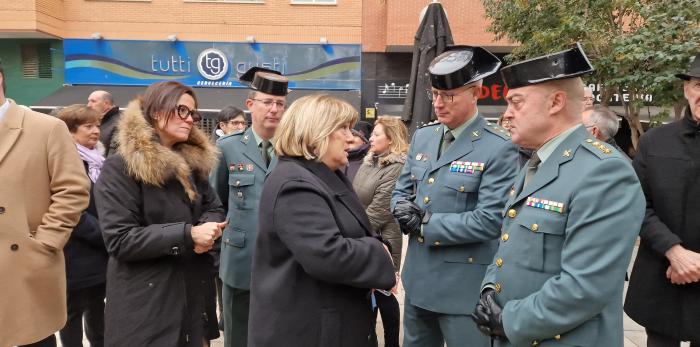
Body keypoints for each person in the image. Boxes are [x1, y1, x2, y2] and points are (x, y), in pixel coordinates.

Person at [472, 43, 645, 346]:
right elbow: (508, 246)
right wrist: (490, 290)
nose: (507, 115)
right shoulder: (537, 163)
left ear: (555, 102)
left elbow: (586, 286)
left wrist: (509, 320)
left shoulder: (604, 173)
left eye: (517, 103)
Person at [391, 45, 519, 347]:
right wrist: (400, 208)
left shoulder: (499, 146)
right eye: (434, 94)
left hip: (463, 290)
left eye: (448, 96)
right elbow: (401, 189)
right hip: (418, 282)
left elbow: (491, 220)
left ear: (476, 92)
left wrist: (425, 224)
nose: (438, 103)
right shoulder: (424, 136)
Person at [248, 94, 396, 347]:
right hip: (307, 330)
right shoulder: (296, 183)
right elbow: (327, 255)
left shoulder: (320, 174)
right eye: (344, 129)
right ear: (316, 132)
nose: (352, 138)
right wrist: (379, 254)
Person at [94, 81, 226, 346]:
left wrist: (208, 234)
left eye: (193, 114)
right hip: (146, 306)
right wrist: (189, 235)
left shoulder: (192, 164)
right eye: (182, 111)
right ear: (156, 111)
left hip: (193, 298)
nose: (190, 120)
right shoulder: (120, 166)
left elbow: (214, 207)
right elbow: (120, 239)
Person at [0, 63, 90, 346]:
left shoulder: (46, 128)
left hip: (24, 267)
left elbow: (73, 190)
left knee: (32, 338)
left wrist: (45, 243)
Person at [624, 53, 700, 347]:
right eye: (697, 84)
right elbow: (635, 203)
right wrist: (675, 252)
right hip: (662, 274)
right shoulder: (655, 141)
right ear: (687, 89)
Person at [210, 67, 288, 347]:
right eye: (267, 102)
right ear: (250, 105)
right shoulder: (227, 149)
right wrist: (218, 256)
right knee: (238, 336)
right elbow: (215, 203)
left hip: (282, 262)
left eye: (280, 103)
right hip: (239, 261)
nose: (274, 110)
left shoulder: (292, 148)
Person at [352, 115, 408, 347]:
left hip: (382, 241)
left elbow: (381, 210)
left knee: (384, 295)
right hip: (363, 236)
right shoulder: (370, 161)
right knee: (368, 298)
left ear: (391, 139)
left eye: (376, 134)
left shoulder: (396, 168)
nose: (370, 138)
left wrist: (350, 230)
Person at [55, 104, 109, 347]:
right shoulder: (64, 161)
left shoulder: (100, 160)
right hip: (75, 252)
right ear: (69, 131)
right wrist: (107, 233)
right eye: (88, 126)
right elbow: (72, 210)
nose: (95, 131)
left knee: (98, 308)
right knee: (72, 313)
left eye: (97, 125)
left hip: (102, 252)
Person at [87, 90, 120, 157]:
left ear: (106, 103)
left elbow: (114, 155)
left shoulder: (120, 122)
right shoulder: (95, 120)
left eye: (93, 101)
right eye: (89, 101)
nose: (88, 105)